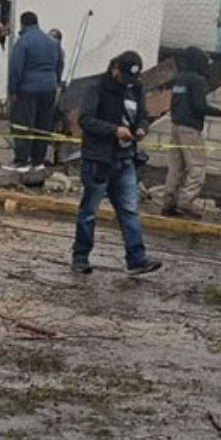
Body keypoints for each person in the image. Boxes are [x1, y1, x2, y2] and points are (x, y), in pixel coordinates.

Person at [71, 51, 162, 276]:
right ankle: (80, 257)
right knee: (90, 211)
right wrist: (114, 131)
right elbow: (86, 120)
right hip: (98, 160)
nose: (127, 84)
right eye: (124, 77)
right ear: (114, 69)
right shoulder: (97, 88)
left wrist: (141, 128)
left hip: (125, 159)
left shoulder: (136, 89)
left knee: (130, 210)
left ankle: (137, 259)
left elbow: (143, 116)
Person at [164, 46, 221, 219]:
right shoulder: (197, 81)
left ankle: (169, 203)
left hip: (175, 126)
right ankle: (186, 202)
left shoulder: (179, 80)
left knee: (176, 167)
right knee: (197, 166)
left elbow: (172, 103)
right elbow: (199, 106)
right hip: (189, 129)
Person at [3, 12, 62, 173]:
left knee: (24, 125)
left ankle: (22, 161)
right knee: (42, 125)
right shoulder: (52, 42)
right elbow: (59, 65)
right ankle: (38, 161)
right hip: (49, 88)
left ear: (23, 24)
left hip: (28, 89)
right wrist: (55, 82)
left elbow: (15, 69)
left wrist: (13, 90)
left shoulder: (23, 42)